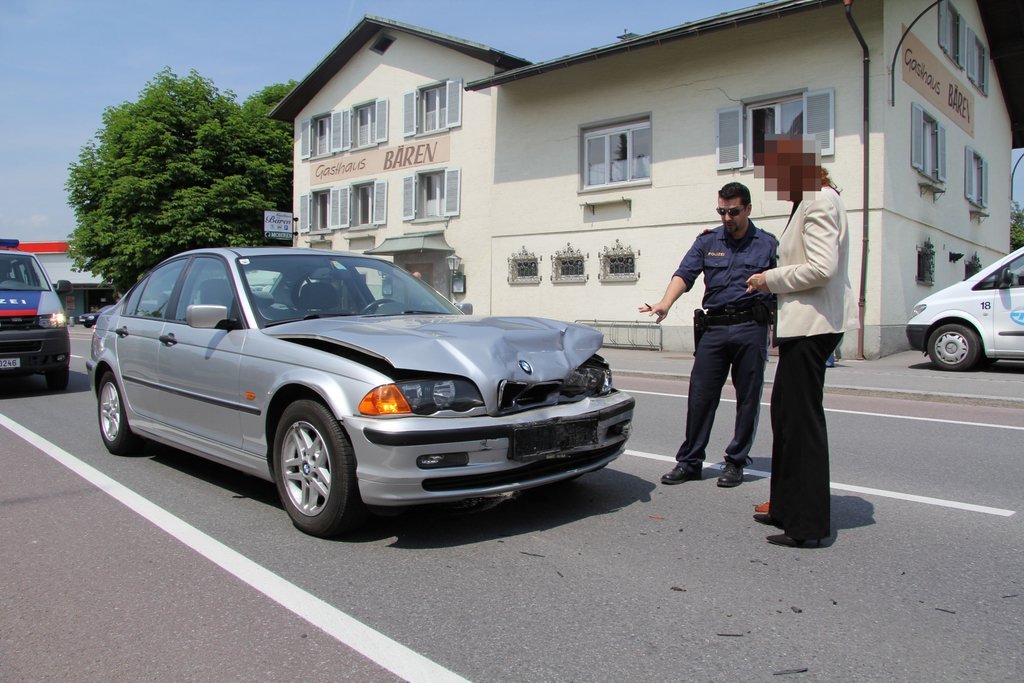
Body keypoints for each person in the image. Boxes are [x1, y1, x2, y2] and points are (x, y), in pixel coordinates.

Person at [745, 135, 857, 548]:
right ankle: (785, 506)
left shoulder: (819, 200)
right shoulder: (808, 199)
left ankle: (807, 526)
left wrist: (768, 280)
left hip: (813, 326)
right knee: (787, 419)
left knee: (802, 424)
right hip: (804, 326)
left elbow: (822, 268)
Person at [640, 182, 777, 488]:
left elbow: (783, 283)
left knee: (748, 397)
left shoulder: (767, 244)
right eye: (722, 211)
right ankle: (690, 462)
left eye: (734, 212)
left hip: (750, 327)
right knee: (700, 396)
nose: (727, 218)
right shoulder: (708, 240)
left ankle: (735, 462)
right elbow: (684, 273)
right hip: (713, 328)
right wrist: (665, 303)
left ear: (748, 209)